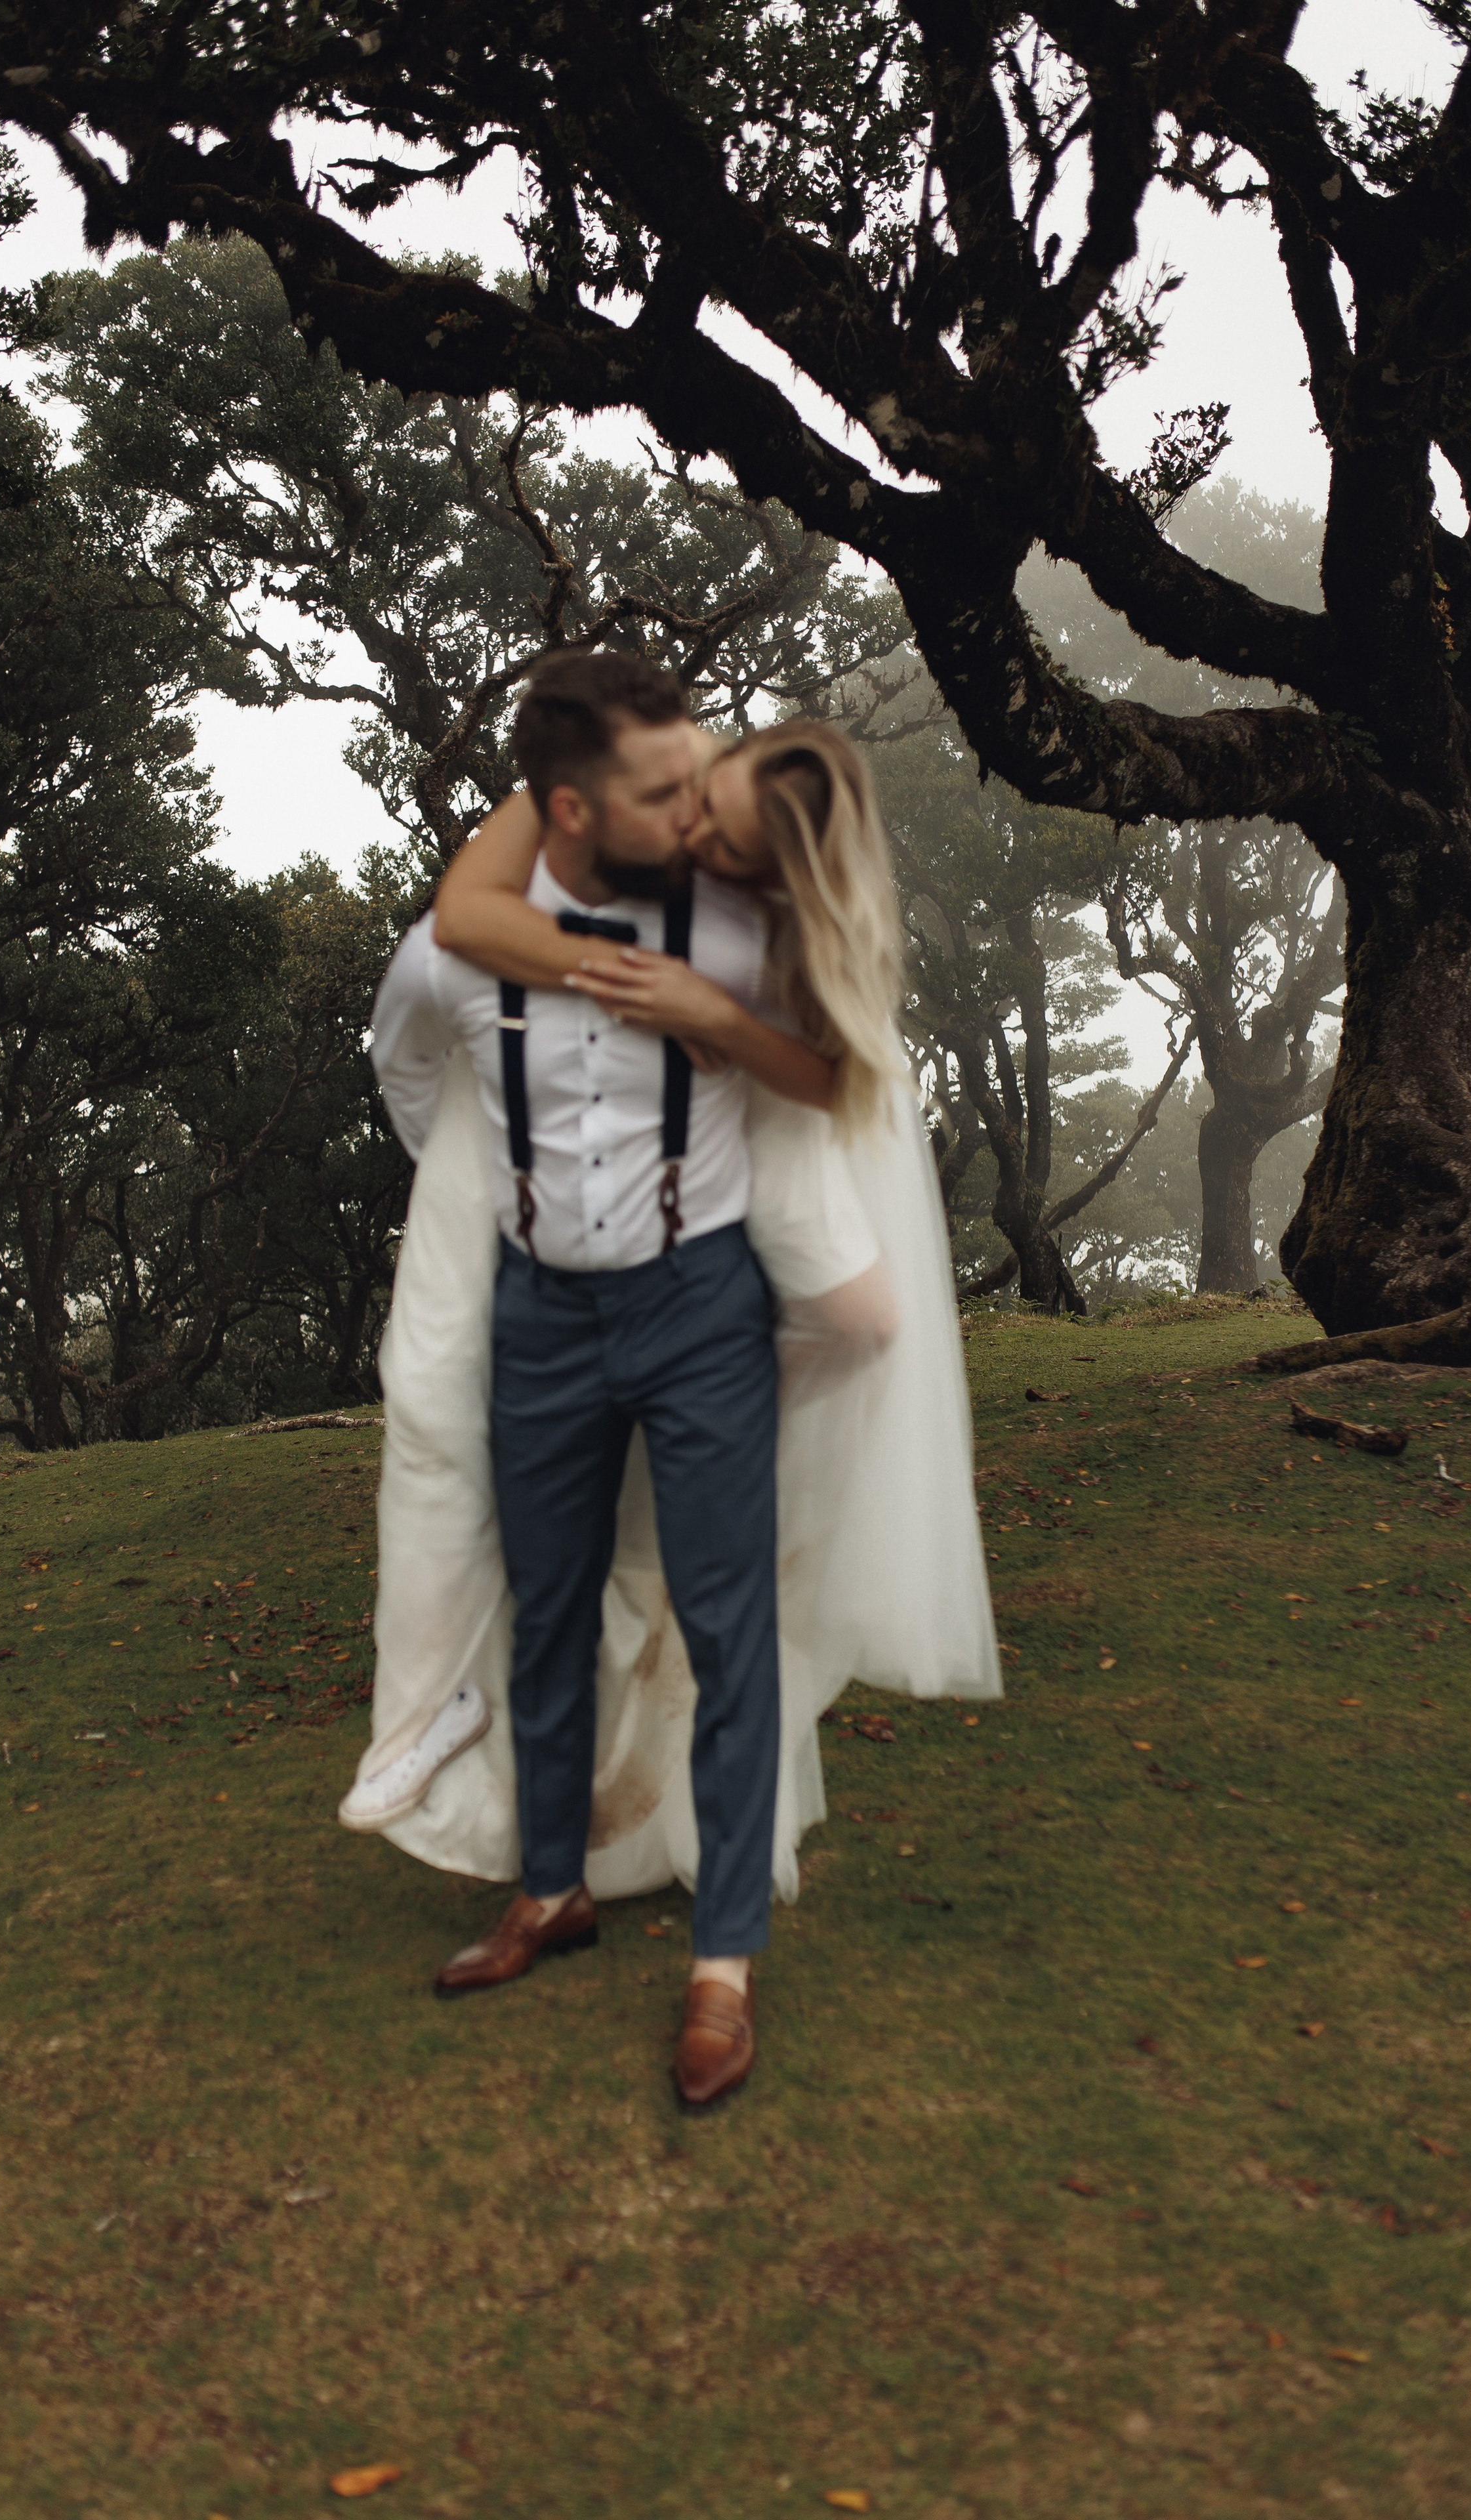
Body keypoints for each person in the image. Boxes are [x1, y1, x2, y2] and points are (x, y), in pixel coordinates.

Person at [348, 651, 1000, 2105]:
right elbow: (405, 1070)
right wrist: (484, 1192)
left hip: (700, 1305)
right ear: (576, 808)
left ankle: (722, 1965)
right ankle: (547, 1888)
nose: (688, 817)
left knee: (723, 1623)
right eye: (665, 794)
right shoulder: (462, 942)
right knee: (547, 1604)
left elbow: (837, 1073)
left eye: (698, 794)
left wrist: (713, 1025)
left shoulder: (748, 929)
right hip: (538, 1315)